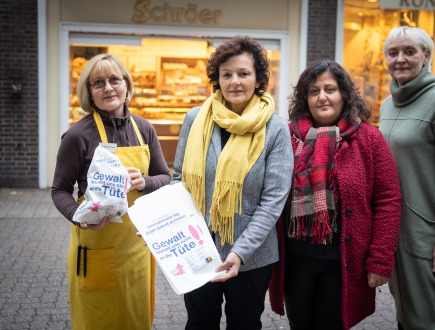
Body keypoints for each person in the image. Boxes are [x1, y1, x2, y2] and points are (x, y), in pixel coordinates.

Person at [269, 59, 402, 330]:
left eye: (330, 89)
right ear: (305, 98)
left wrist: (380, 259)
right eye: (314, 91)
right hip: (296, 260)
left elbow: (388, 200)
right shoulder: (286, 136)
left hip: (343, 262)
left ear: (344, 94)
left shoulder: (369, 139)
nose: (322, 97)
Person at [171, 35, 293, 329]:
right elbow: (179, 179)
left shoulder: (275, 128)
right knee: (200, 322)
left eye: (243, 73)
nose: (234, 81)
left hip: (252, 256)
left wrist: (240, 252)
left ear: (258, 78)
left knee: (245, 323)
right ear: (217, 79)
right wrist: (164, 224)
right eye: (226, 74)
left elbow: (273, 201)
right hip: (198, 249)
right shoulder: (195, 118)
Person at [51, 53, 171, 330]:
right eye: (98, 83)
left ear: (127, 86)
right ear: (89, 93)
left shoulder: (144, 129)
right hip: (95, 245)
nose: (108, 88)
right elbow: (59, 190)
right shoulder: (78, 135)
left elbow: (165, 177)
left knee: (136, 319)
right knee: (98, 320)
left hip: (136, 248)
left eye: (114, 80)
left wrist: (145, 182)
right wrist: (77, 217)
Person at [380, 26, 435, 330]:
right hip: (393, 229)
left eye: (409, 51)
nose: (400, 59)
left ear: (426, 56)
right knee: (404, 311)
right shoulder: (387, 105)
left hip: (426, 232)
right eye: (393, 53)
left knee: (422, 317)